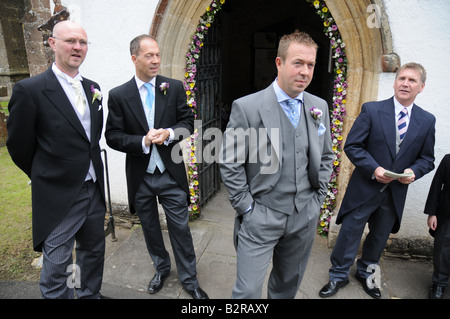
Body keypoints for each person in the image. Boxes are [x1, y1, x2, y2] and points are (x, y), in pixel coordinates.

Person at [219, 31, 334, 299]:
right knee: (247, 291)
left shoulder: (319, 107)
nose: (305, 71)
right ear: (279, 63)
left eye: (311, 65)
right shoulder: (247, 107)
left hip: (304, 214)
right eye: (298, 63)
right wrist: (247, 207)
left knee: (286, 287)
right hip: (262, 214)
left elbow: (326, 155)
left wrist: (317, 199)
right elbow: (229, 161)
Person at [6, 21, 106, 299]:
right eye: (70, 41)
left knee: (93, 252)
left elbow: (91, 139)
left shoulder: (93, 88)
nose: (77, 47)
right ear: (52, 43)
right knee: (57, 264)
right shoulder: (31, 90)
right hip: (59, 192)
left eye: (82, 42)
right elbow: (18, 145)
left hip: (94, 188)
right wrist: (45, 174)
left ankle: (89, 294)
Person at [319, 62, 436, 299]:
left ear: (421, 87)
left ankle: (366, 273)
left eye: (412, 80)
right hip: (365, 187)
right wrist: (374, 168)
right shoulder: (371, 110)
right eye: (401, 78)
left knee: (379, 237)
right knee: (350, 233)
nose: (405, 83)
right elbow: (352, 146)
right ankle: (338, 275)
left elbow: (427, 159)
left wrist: (414, 172)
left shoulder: (427, 120)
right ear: (395, 82)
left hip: (394, 194)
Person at [105, 34, 208, 299]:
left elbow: (187, 122)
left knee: (181, 229)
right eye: (149, 55)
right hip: (141, 177)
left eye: (158, 55)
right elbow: (113, 136)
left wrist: (170, 134)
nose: (155, 60)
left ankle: (190, 279)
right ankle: (161, 269)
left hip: (171, 174)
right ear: (134, 58)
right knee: (150, 228)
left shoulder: (173, 87)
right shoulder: (118, 95)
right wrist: (141, 141)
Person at [424, 154, 450, 299]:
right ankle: (439, 283)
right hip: (447, 215)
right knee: (443, 250)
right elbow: (436, 186)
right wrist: (432, 213)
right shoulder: (448, 159)